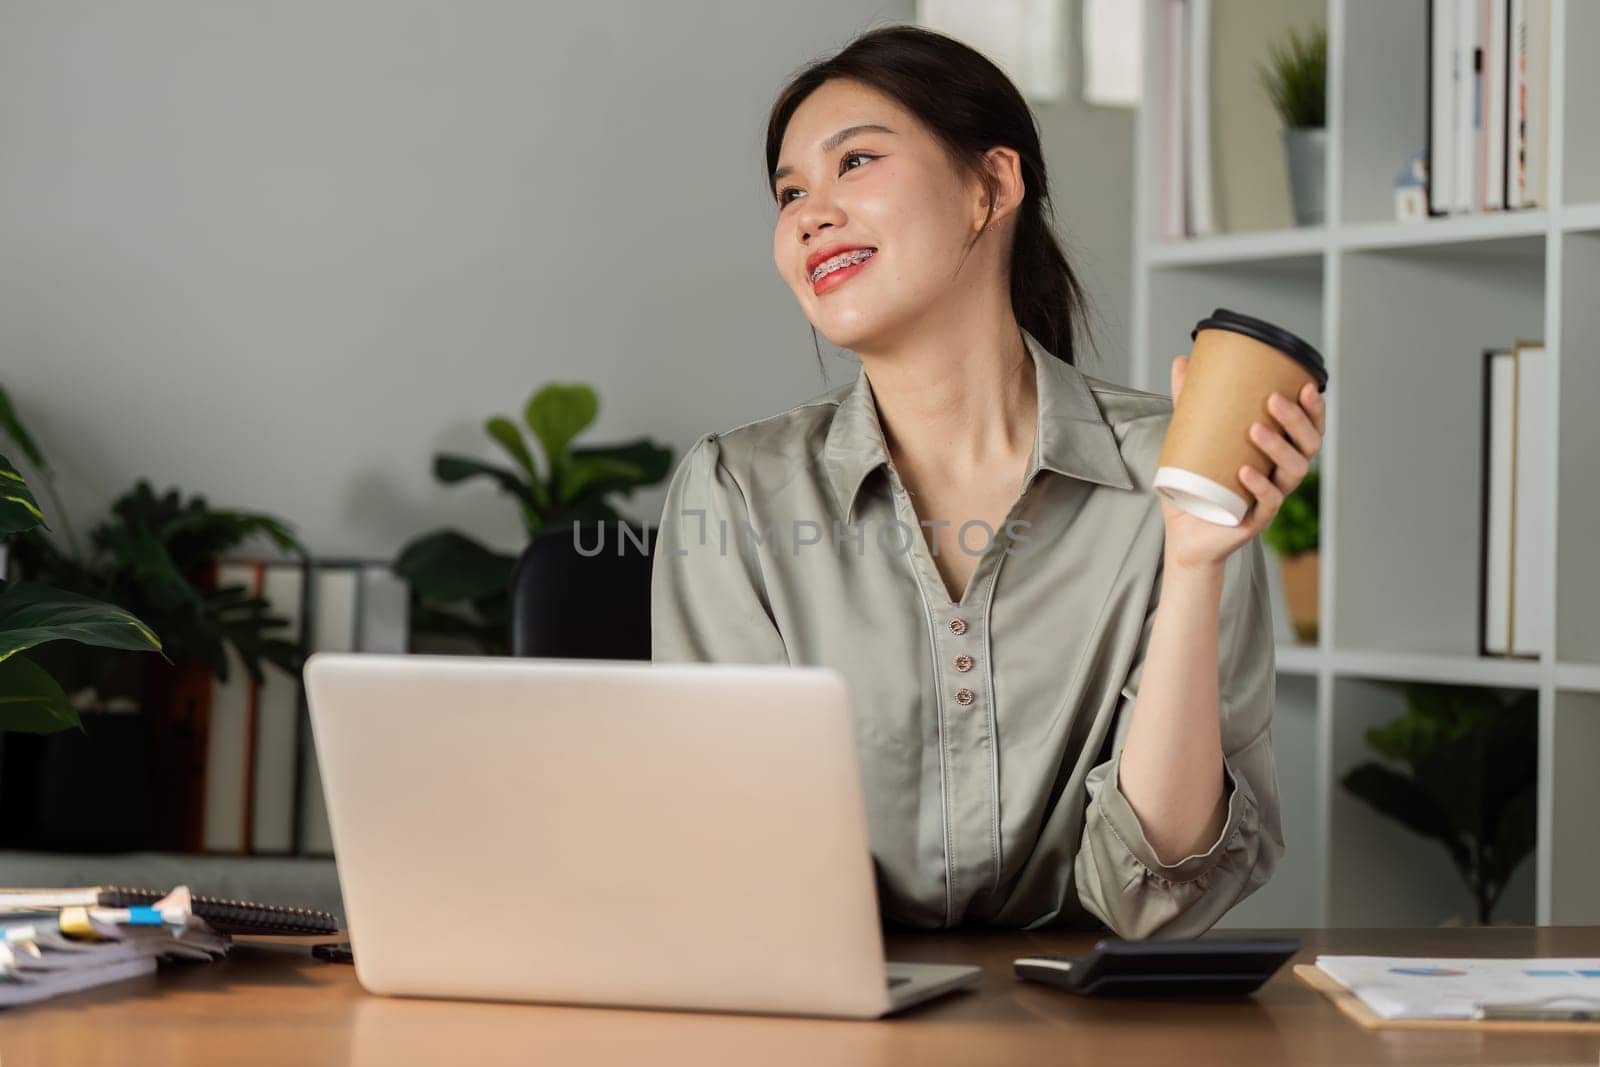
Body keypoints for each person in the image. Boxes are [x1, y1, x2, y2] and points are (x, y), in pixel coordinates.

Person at [650, 25, 1325, 939]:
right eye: (789, 191)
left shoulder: (1171, 475)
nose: (809, 212)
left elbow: (1152, 899)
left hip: (1093, 1030)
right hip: (827, 1018)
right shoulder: (736, 490)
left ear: (992, 185)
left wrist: (1197, 559)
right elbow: (732, 866)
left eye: (856, 162)